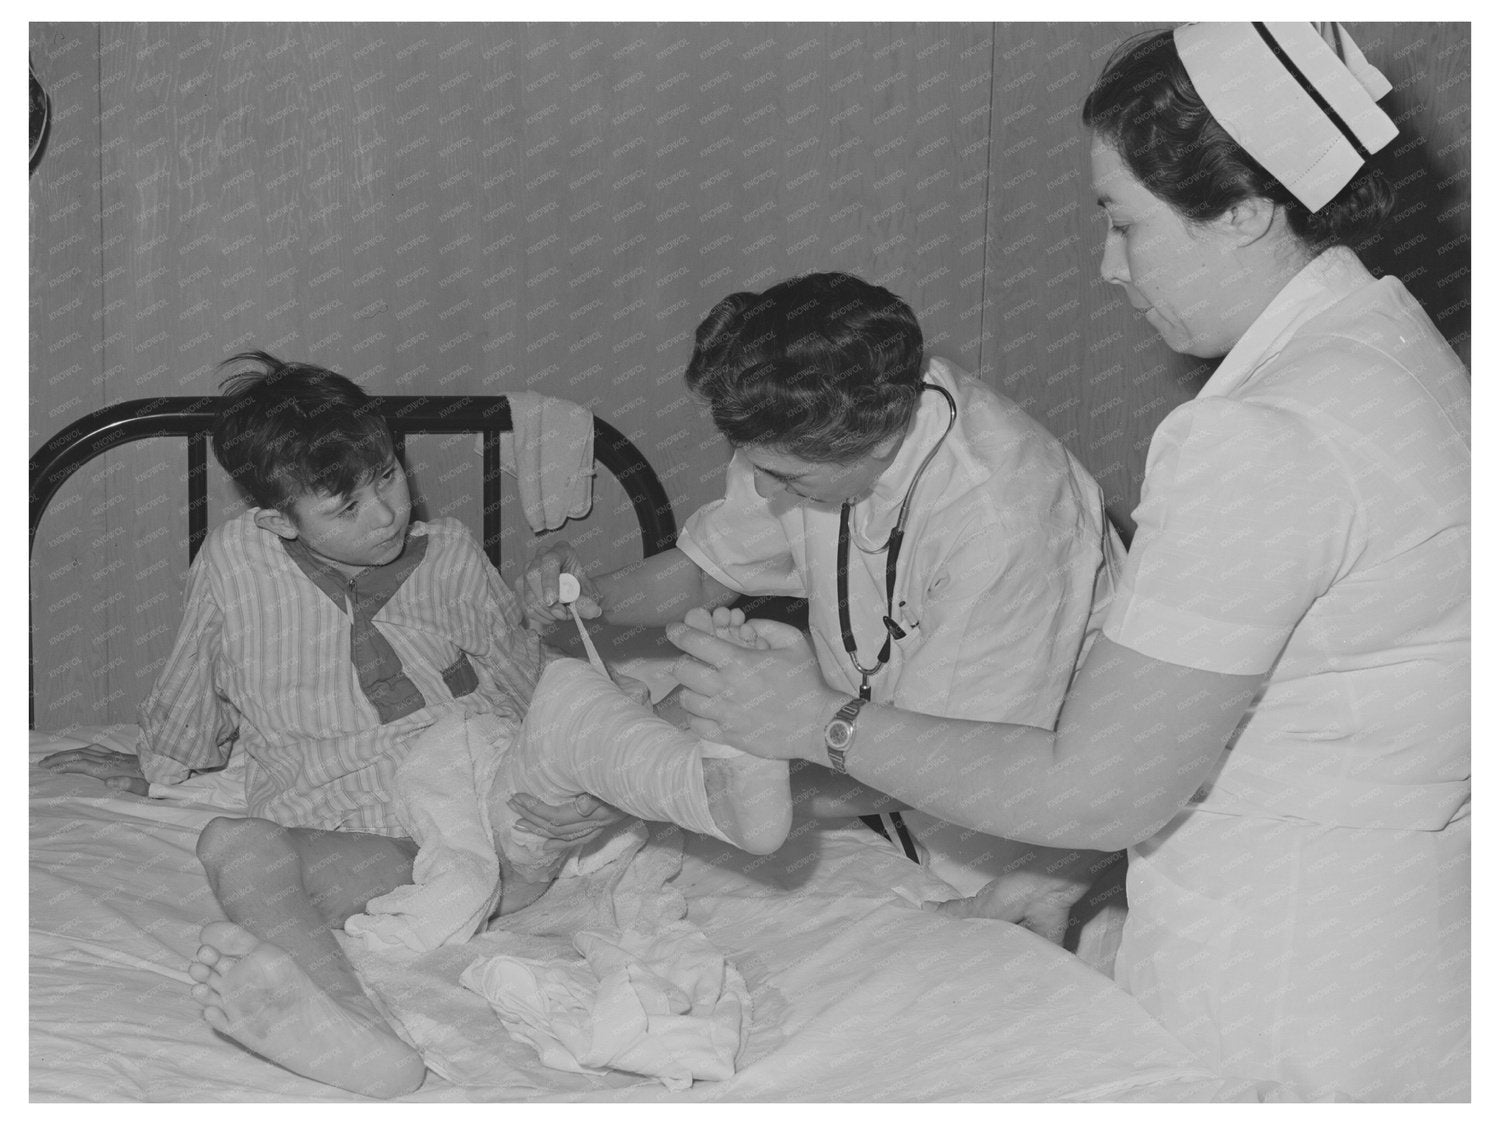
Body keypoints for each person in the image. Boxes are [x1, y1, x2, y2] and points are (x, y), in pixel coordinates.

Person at [664, 23, 1469, 1101]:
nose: (1108, 267)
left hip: (1282, 990)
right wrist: (1051, 878)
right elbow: (1215, 716)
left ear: (1244, 210)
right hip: (1399, 952)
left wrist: (816, 720)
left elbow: (1100, 787)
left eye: (1123, 221)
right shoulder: (1393, 352)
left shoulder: (1266, 435)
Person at [40, 352, 791, 1097]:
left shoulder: (453, 554)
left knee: (566, 709)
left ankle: (693, 767)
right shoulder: (235, 562)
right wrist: (158, 766)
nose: (388, 513)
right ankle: (354, 1028)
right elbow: (192, 679)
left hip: (488, 797)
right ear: (275, 518)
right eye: (346, 508)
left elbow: (519, 677)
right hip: (382, 843)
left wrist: (562, 721)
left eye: (389, 476)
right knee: (232, 841)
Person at [518, 270, 1126, 928]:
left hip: (1032, 838)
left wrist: (665, 786)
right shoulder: (815, 417)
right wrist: (592, 594)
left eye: (790, 480)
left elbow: (933, 767)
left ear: (882, 442)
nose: (771, 495)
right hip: (891, 793)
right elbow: (706, 571)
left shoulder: (1004, 523)